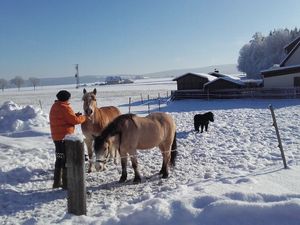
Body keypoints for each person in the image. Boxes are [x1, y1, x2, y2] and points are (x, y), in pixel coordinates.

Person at [49, 90, 86, 189]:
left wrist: (74, 115)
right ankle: (66, 183)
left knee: (59, 158)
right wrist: (83, 117)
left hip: (57, 138)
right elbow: (74, 120)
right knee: (66, 159)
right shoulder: (64, 107)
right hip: (65, 138)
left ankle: (56, 182)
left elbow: (65, 118)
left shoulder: (55, 106)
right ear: (66, 98)